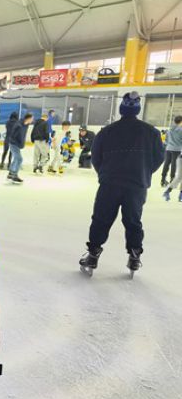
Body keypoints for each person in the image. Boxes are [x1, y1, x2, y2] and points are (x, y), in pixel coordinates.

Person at [79, 92, 165, 273]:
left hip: (110, 183)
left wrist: (104, 174)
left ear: (121, 109)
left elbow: (96, 158)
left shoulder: (106, 132)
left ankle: (93, 254)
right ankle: (134, 256)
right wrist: (143, 172)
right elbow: (159, 158)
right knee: (133, 221)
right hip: (136, 185)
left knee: (101, 219)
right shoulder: (151, 132)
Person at [7, 112, 34, 183]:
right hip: (13, 143)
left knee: (16, 158)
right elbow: (13, 135)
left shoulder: (26, 124)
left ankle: (11, 174)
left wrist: (21, 144)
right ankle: (14, 175)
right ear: (28, 118)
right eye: (32, 119)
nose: (32, 120)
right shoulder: (18, 125)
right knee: (19, 159)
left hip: (18, 144)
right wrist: (18, 143)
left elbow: (22, 135)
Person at [161, 115, 182, 187]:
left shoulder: (170, 129)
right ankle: (172, 179)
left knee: (166, 163)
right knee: (174, 164)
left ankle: (163, 180)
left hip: (168, 149)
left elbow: (166, 140)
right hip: (176, 149)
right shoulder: (181, 130)